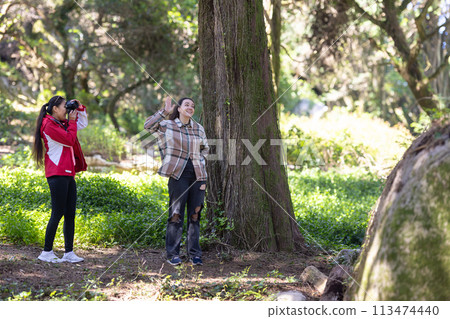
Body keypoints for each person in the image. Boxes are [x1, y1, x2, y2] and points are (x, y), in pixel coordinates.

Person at [144, 96, 209, 266]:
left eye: (193, 106)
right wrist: (164, 112)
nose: (190, 107)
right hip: (177, 175)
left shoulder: (198, 128)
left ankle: (194, 254)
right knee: (176, 215)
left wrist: (202, 175)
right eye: (187, 104)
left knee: (195, 215)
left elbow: (205, 150)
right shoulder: (167, 126)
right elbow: (148, 126)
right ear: (179, 109)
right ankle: (173, 254)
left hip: (197, 175)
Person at [32, 95, 88, 263]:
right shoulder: (48, 125)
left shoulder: (60, 123)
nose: (67, 109)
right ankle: (46, 252)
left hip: (68, 173)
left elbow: (82, 124)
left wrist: (79, 109)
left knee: (70, 213)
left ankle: (69, 252)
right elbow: (70, 140)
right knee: (57, 213)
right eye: (65, 106)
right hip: (57, 173)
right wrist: (71, 120)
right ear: (55, 109)